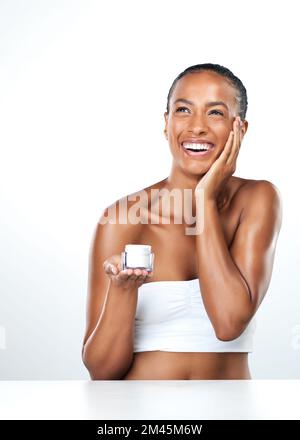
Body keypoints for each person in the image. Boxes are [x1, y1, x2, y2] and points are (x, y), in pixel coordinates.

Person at [82, 63, 282, 380]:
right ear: (166, 123)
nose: (197, 127)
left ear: (240, 129)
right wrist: (123, 292)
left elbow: (228, 324)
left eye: (215, 113)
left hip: (232, 413)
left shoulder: (257, 199)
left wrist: (204, 200)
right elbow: (102, 371)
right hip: (143, 420)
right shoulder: (121, 218)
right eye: (183, 110)